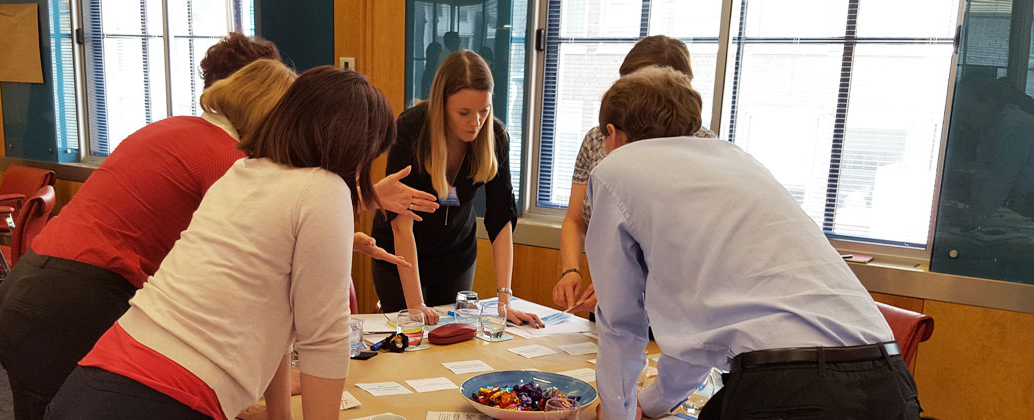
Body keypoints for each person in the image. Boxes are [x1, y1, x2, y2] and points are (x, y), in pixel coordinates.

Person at [0, 48, 435, 420]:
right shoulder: (324, 188)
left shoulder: (245, 170)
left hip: (99, 375)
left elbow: (281, 323)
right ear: (354, 146)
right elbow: (324, 338)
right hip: (163, 395)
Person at [588, 66, 919, 419]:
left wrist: (616, 413)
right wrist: (651, 404)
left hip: (787, 388)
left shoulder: (617, 169)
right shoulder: (736, 160)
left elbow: (621, 324)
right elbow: (701, 340)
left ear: (613, 134)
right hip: (889, 380)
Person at [371, 50, 541, 327]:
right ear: (441, 104)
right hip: (401, 256)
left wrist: (504, 299)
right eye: (464, 113)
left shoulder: (495, 137)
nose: (475, 122)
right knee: (411, 337)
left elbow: (501, 218)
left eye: (483, 111)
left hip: (455, 256)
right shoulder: (412, 129)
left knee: (451, 338)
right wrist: (415, 304)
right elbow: (401, 222)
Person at [552, 35, 716, 314]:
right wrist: (571, 270)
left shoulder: (703, 148)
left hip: (676, 305)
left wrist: (629, 285)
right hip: (611, 298)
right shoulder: (599, 137)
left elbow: (687, 246)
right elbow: (576, 219)